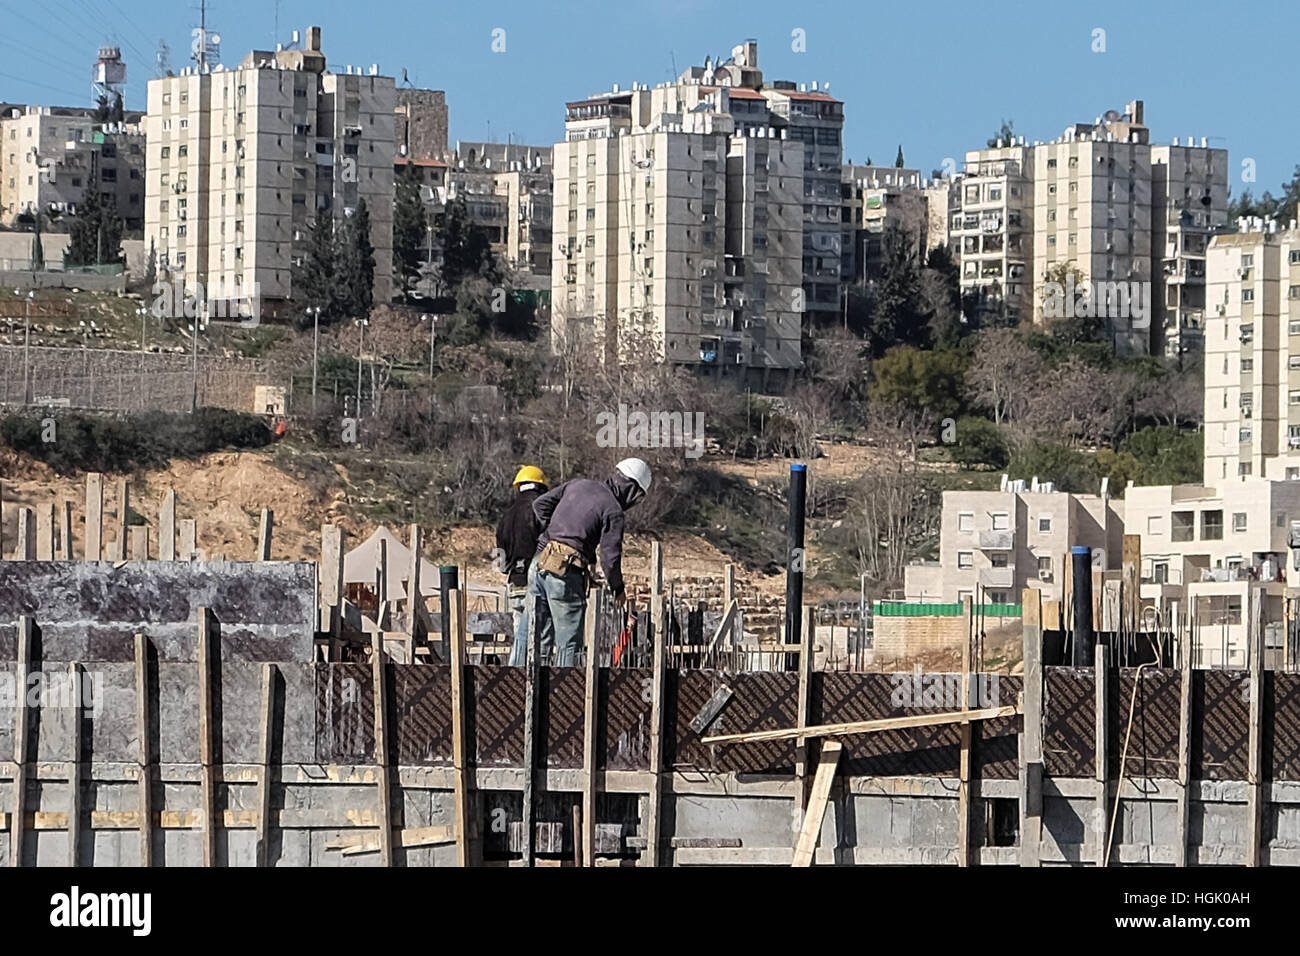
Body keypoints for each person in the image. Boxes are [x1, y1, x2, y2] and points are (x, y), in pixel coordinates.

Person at [524, 458, 651, 666]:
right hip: (564, 573)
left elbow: (540, 505)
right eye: (637, 498)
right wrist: (618, 589)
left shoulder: (578, 484)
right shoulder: (613, 510)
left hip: (539, 564)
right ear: (633, 490)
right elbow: (610, 559)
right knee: (568, 643)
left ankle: (511, 689)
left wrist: (555, 534)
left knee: (528, 636)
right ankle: (563, 694)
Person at [498, 465, 549, 667]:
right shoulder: (541, 509)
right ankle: (539, 686)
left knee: (520, 640)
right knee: (539, 642)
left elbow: (501, 562)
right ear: (540, 487)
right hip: (536, 585)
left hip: (514, 585)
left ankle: (513, 684)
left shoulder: (506, 515)